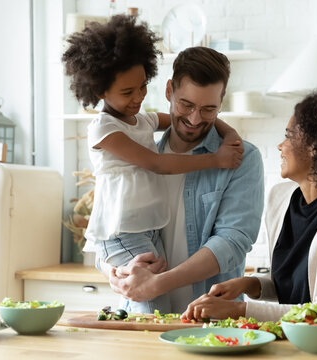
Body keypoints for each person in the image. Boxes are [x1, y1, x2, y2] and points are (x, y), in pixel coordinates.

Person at [61, 15, 245, 314]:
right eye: (127, 92)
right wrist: (215, 159)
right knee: (152, 307)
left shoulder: (143, 120)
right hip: (122, 233)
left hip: (144, 232)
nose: (138, 98)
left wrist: (229, 132)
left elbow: (184, 117)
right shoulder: (104, 130)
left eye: (142, 87)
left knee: (153, 304)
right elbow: (156, 164)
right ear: (100, 91)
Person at [182, 89, 317, 334]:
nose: (280, 145)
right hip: (295, 343)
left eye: (288, 136)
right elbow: (294, 287)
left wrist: (239, 310)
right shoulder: (281, 199)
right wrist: (249, 284)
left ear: (315, 146)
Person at [100, 46, 265, 313]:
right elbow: (108, 230)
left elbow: (232, 242)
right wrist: (113, 272)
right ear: (169, 91)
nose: (194, 119)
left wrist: (157, 285)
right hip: (142, 319)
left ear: (220, 105)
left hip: (212, 324)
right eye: (185, 105)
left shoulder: (241, 159)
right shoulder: (139, 156)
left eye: (209, 109)